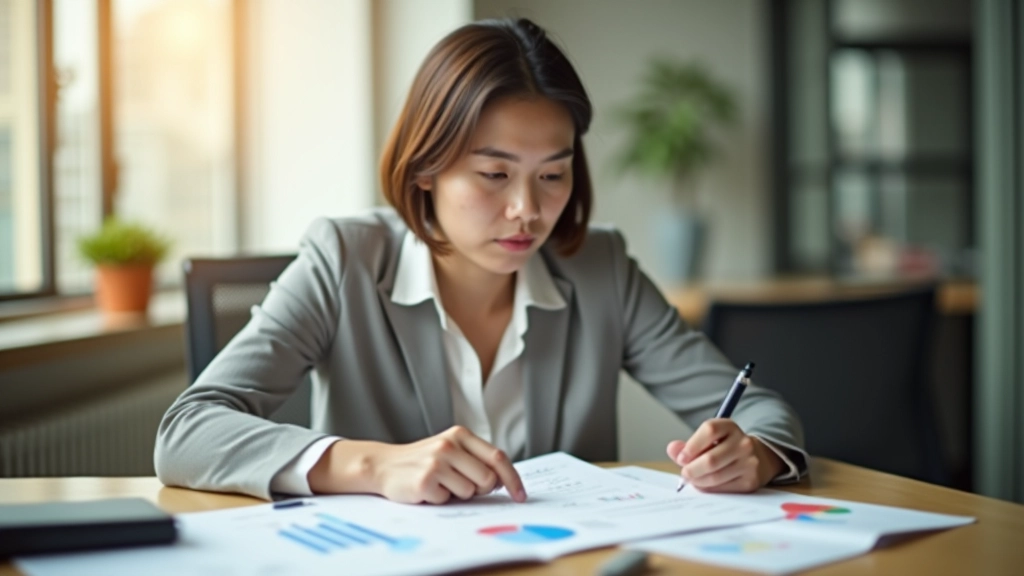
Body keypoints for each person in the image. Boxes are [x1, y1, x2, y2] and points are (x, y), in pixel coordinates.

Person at [155, 18, 807, 504]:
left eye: (553, 176)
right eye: (494, 173)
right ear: (427, 168)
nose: (527, 209)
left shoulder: (599, 266)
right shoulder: (344, 259)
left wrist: (754, 455)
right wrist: (373, 466)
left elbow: (764, 412)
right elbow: (187, 430)